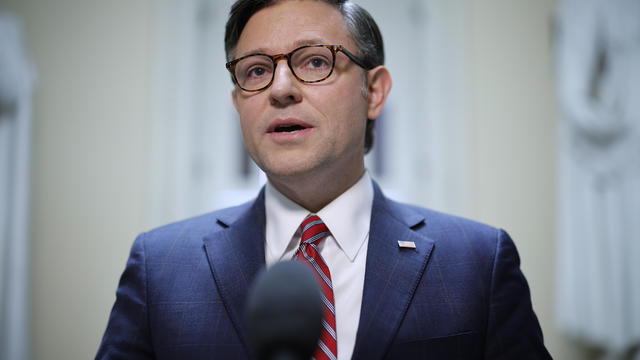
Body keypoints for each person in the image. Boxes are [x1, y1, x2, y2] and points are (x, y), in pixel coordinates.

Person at [96, 0, 551, 359]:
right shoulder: (158, 269)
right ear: (237, 102)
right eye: (256, 70)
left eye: (314, 62)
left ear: (373, 92)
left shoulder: (477, 264)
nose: (280, 89)